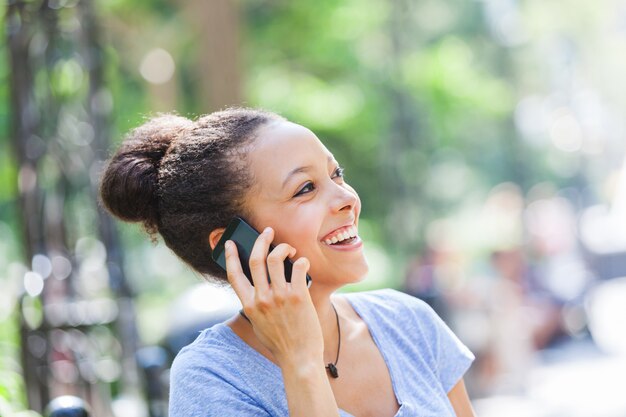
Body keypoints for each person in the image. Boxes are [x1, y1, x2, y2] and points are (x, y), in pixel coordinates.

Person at [99, 108, 475, 417]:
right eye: (305, 188)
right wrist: (301, 364)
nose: (346, 198)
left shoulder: (409, 322)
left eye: (335, 173)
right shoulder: (212, 377)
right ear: (234, 244)